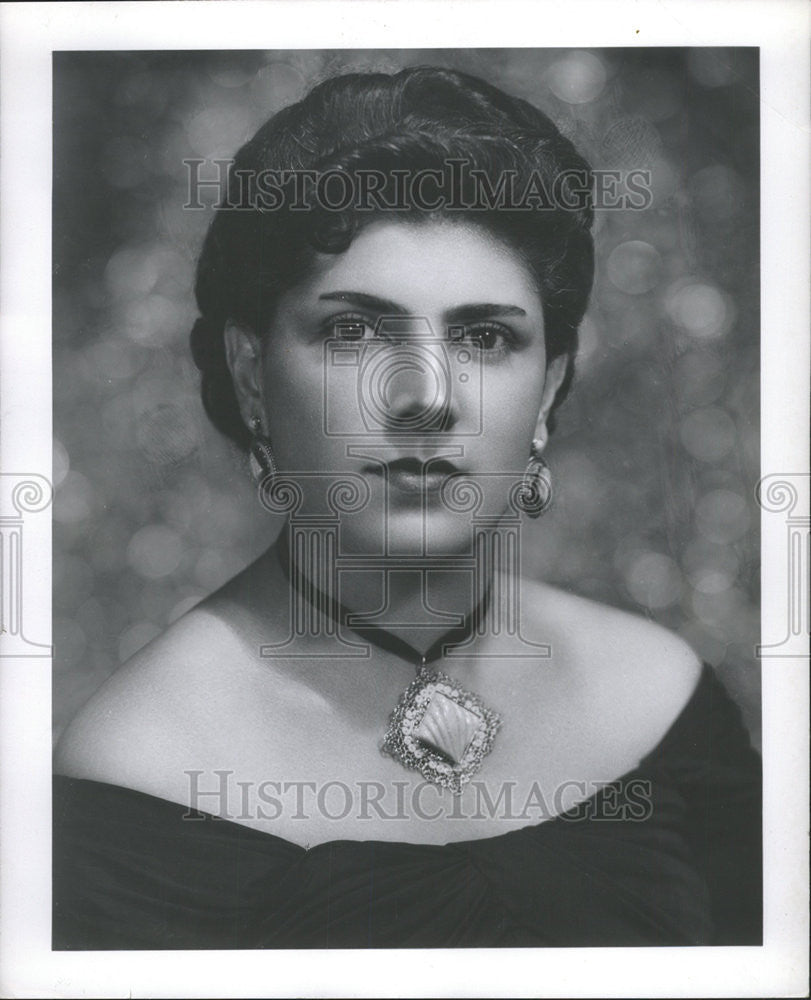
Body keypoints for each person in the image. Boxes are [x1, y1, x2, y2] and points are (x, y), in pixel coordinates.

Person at [52, 66, 761, 949]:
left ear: (548, 389)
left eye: (483, 337)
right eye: (353, 332)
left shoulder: (664, 699)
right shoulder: (139, 770)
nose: (425, 397)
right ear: (250, 377)